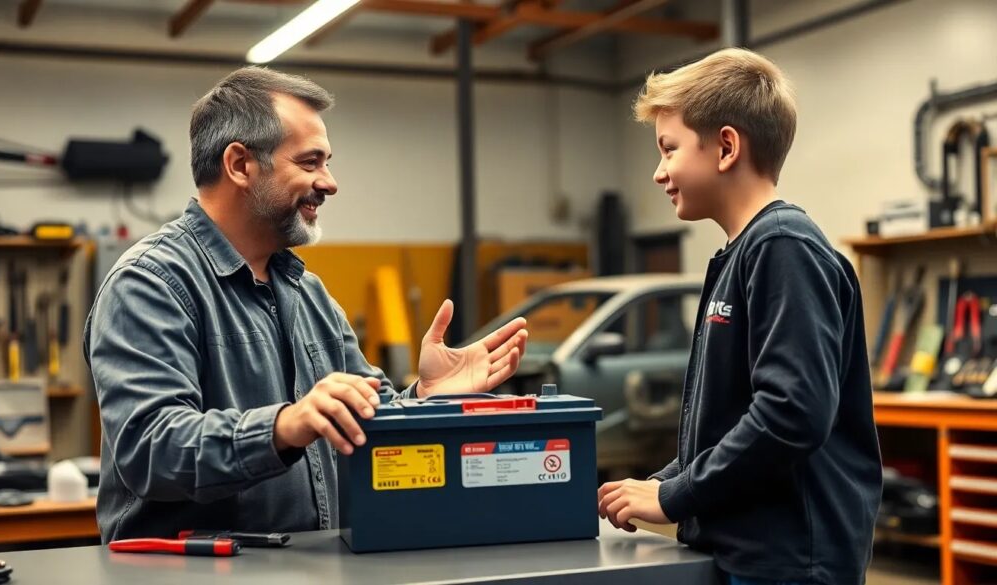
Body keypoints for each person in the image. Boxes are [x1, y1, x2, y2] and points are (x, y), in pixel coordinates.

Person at [85, 67, 528, 543]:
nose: (330, 182)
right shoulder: (150, 283)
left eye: (328, 162)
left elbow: (361, 425)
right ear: (240, 165)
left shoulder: (306, 292)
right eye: (311, 162)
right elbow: (151, 450)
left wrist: (424, 398)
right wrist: (284, 425)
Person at [597, 48, 882, 585]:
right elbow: (731, 421)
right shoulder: (744, 253)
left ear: (726, 147)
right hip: (748, 554)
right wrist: (663, 481)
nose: (658, 172)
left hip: (791, 563)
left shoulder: (784, 248)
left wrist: (677, 496)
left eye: (669, 149)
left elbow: (790, 412)